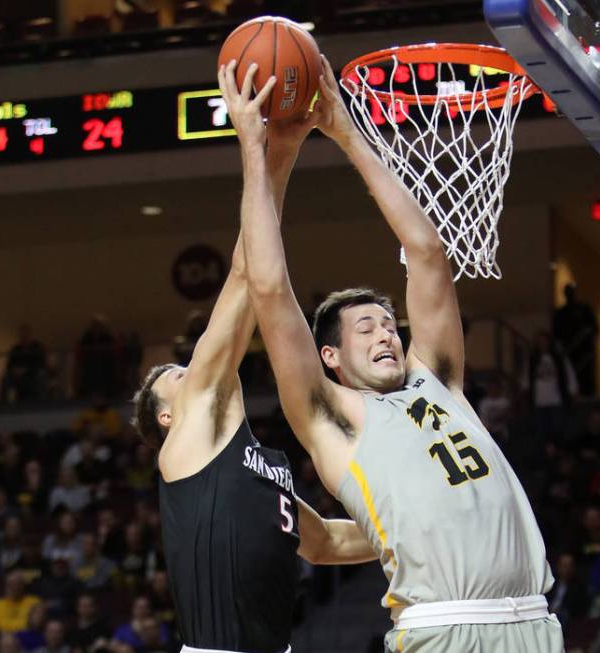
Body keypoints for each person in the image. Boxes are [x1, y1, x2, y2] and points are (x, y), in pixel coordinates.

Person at [232, 57, 561, 650]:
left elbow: (427, 250)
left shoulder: (437, 379)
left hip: (535, 621)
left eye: (389, 324)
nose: (385, 334)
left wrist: (344, 129)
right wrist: (258, 154)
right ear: (329, 357)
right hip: (443, 628)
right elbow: (267, 289)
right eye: (365, 329)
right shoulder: (332, 417)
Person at [131, 60, 375, 653]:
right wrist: (270, 149)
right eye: (179, 377)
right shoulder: (187, 445)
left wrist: (410, 530)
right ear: (169, 421)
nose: (195, 370)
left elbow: (327, 545)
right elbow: (248, 275)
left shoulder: (265, 466)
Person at [552, 283, 599, 397]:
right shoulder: (560, 314)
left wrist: (588, 344)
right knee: (571, 380)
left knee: (587, 381)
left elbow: (593, 329)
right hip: (569, 355)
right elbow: (557, 335)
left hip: (585, 353)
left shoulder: (584, 309)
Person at [1, 325, 47, 404]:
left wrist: (26, 370)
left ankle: (41, 403)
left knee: (40, 378)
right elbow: (9, 365)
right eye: (21, 335)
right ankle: (2, 404)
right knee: (6, 379)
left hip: (33, 375)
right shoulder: (15, 349)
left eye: (25, 334)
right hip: (18, 376)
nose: (24, 337)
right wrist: (15, 371)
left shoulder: (37, 348)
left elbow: (40, 364)